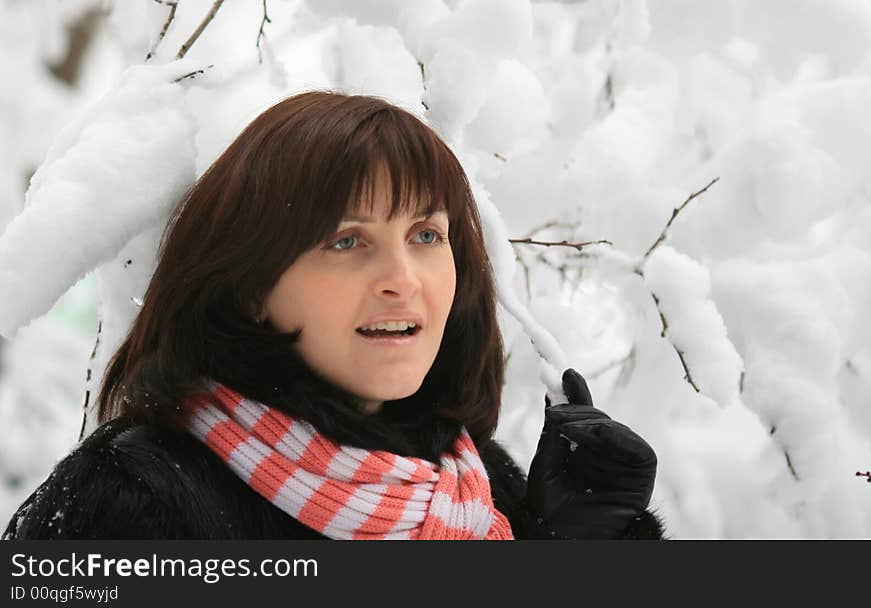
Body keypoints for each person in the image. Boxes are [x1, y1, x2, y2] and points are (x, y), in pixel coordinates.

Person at [3, 91, 664, 540]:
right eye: (347, 241)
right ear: (250, 283)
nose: (401, 280)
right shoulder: (134, 497)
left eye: (427, 237)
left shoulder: (478, 485)